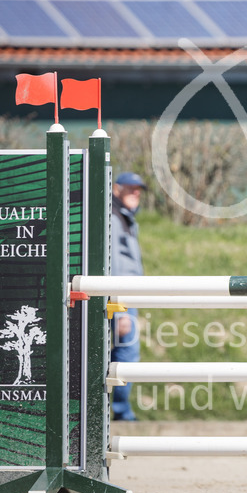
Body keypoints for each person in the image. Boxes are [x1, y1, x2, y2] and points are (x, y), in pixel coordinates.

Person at [110, 171, 146, 422]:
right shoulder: (114, 218)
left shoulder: (123, 217)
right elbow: (112, 265)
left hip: (125, 297)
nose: (136, 193)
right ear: (116, 189)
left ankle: (115, 410)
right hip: (119, 299)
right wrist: (119, 308)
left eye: (138, 189)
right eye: (130, 188)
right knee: (127, 353)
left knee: (121, 353)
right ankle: (121, 412)